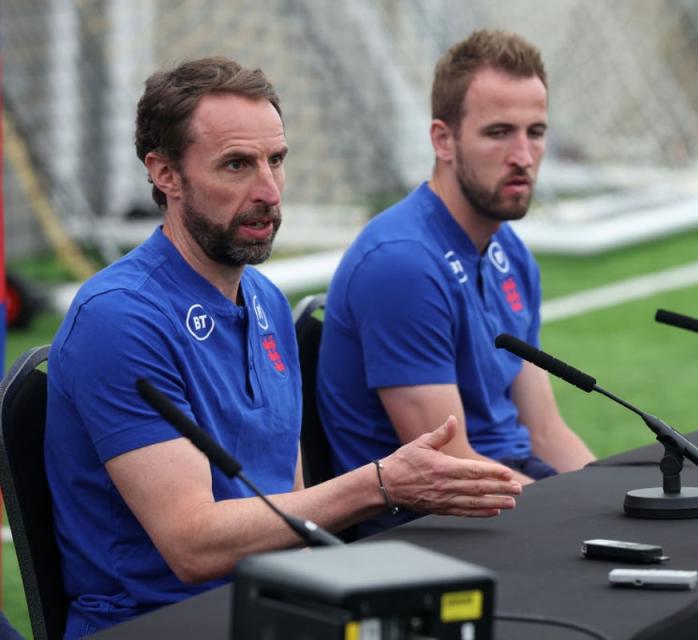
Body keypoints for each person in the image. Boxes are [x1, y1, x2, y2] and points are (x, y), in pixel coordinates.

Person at [44, 56, 521, 637]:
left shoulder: (266, 301)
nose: (268, 191)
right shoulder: (119, 319)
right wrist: (380, 484)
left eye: (277, 160)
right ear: (165, 174)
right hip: (157, 622)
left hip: (266, 609)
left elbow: (286, 504)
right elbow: (191, 544)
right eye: (237, 165)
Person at [317, 30, 595, 535]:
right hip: (431, 531)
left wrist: (609, 502)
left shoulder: (509, 250)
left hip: (510, 496)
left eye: (535, 131)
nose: (523, 155)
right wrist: (573, 523)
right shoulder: (402, 266)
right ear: (443, 140)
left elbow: (547, 433)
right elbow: (450, 468)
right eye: (498, 133)